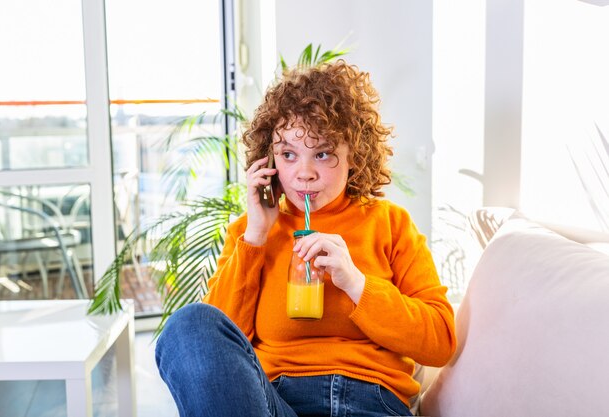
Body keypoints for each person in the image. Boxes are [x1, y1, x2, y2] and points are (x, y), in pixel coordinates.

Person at [155, 60, 457, 417]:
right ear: (270, 162)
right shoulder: (250, 233)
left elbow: (440, 341)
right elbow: (216, 352)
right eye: (288, 155)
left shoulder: (391, 225)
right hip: (275, 403)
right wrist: (256, 236)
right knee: (189, 324)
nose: (304, 173)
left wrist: (356, 283)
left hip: (371, 404)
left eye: (323, 153)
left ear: (353, 157)